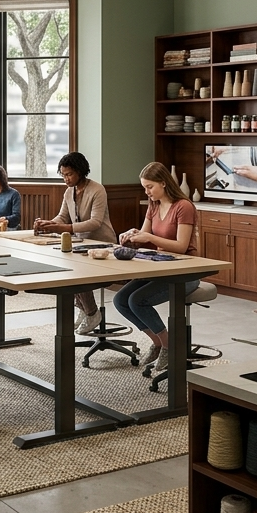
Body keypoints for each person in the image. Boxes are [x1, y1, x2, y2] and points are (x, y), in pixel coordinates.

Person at [114, 162, 200, 373]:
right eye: (144, 187)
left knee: (137, 300)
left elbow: (180, 246)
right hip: (160, 267)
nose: (147, 192)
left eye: (150, 187)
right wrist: (131, 237)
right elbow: (143, 237)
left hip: (186, 271)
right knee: (120, 300)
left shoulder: (184, 206)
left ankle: (171, 347)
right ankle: (160, 343)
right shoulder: (153, 205)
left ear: (163, 183)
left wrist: (149, 236)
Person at [33, 151, 117, 336]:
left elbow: (96, 222)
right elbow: (62, 217)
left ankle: (92, 313)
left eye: (69, 174)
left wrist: (64, 227)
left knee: (77, 274)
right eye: (63, 175)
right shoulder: (68, 192)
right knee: (65, 270)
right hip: (81, 244)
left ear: (80, 171)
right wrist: (48, 224)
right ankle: (85, 310)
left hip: (102, 245)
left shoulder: (97, 190)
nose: (66, 179)